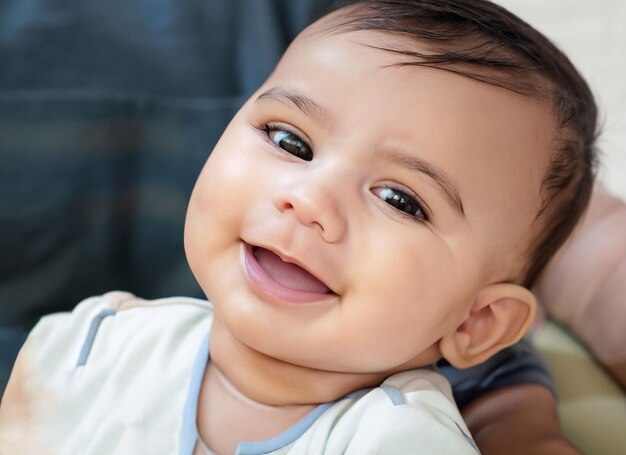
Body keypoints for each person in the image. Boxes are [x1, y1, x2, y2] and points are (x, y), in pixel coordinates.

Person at [0, 0, 605, 453]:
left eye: (400, 198)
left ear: (477, 322)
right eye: (289, 141)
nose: (308, 198)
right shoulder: (95, 345)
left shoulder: (396, 440)